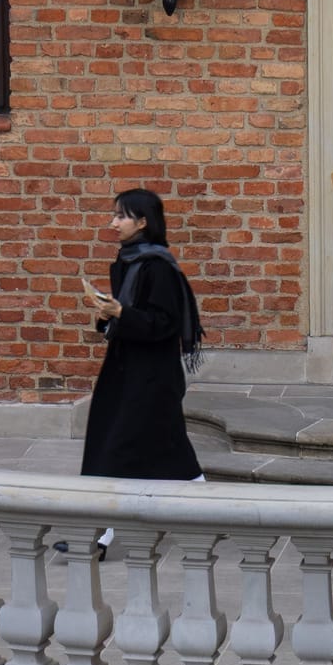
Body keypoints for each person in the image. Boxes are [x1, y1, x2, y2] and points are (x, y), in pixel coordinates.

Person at [78, 189, 204, 481]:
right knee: (136, 441)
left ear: (143, 222)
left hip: (151, 375)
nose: (114, 223)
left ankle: (110, 519)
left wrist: (121, 312)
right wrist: (107, 316)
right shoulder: (130, 260)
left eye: (121, 216)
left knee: (125, 445)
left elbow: (164, 323)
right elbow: (133, 313)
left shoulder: (157, 266)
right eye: (115, 215)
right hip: (127, 369)